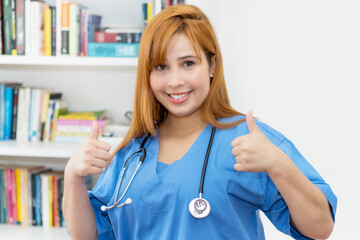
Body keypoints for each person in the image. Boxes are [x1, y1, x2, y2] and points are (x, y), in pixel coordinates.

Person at [62, 4, 337, 240]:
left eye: (188, 63)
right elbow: (89, 235)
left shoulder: (246, 141)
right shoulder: (132, 154)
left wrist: (279, 165)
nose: (175, 81)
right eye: (161, 67)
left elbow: (320, 228)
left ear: (212, 65)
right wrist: (73, 177)